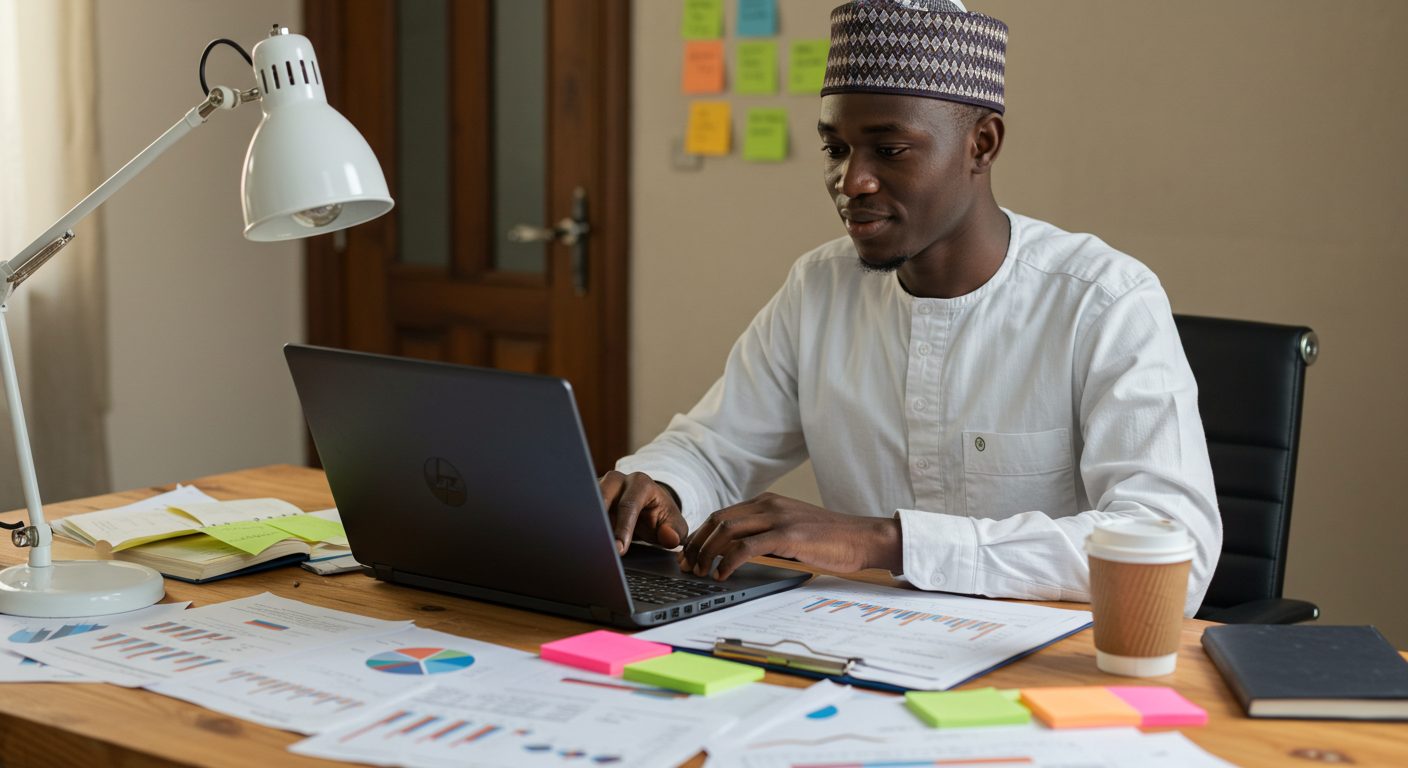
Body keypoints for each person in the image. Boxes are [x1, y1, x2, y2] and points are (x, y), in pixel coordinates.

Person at [601, 0, 1221, 616]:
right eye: (835, 149)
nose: (852, 181)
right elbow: (716, 447)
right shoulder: (820, 287)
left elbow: (1174, 549)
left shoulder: (1103, 300)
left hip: (1047, 671)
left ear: (981, 143)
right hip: (855, 648)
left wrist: (882, 541)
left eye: (889, 150)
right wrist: (659, 485)